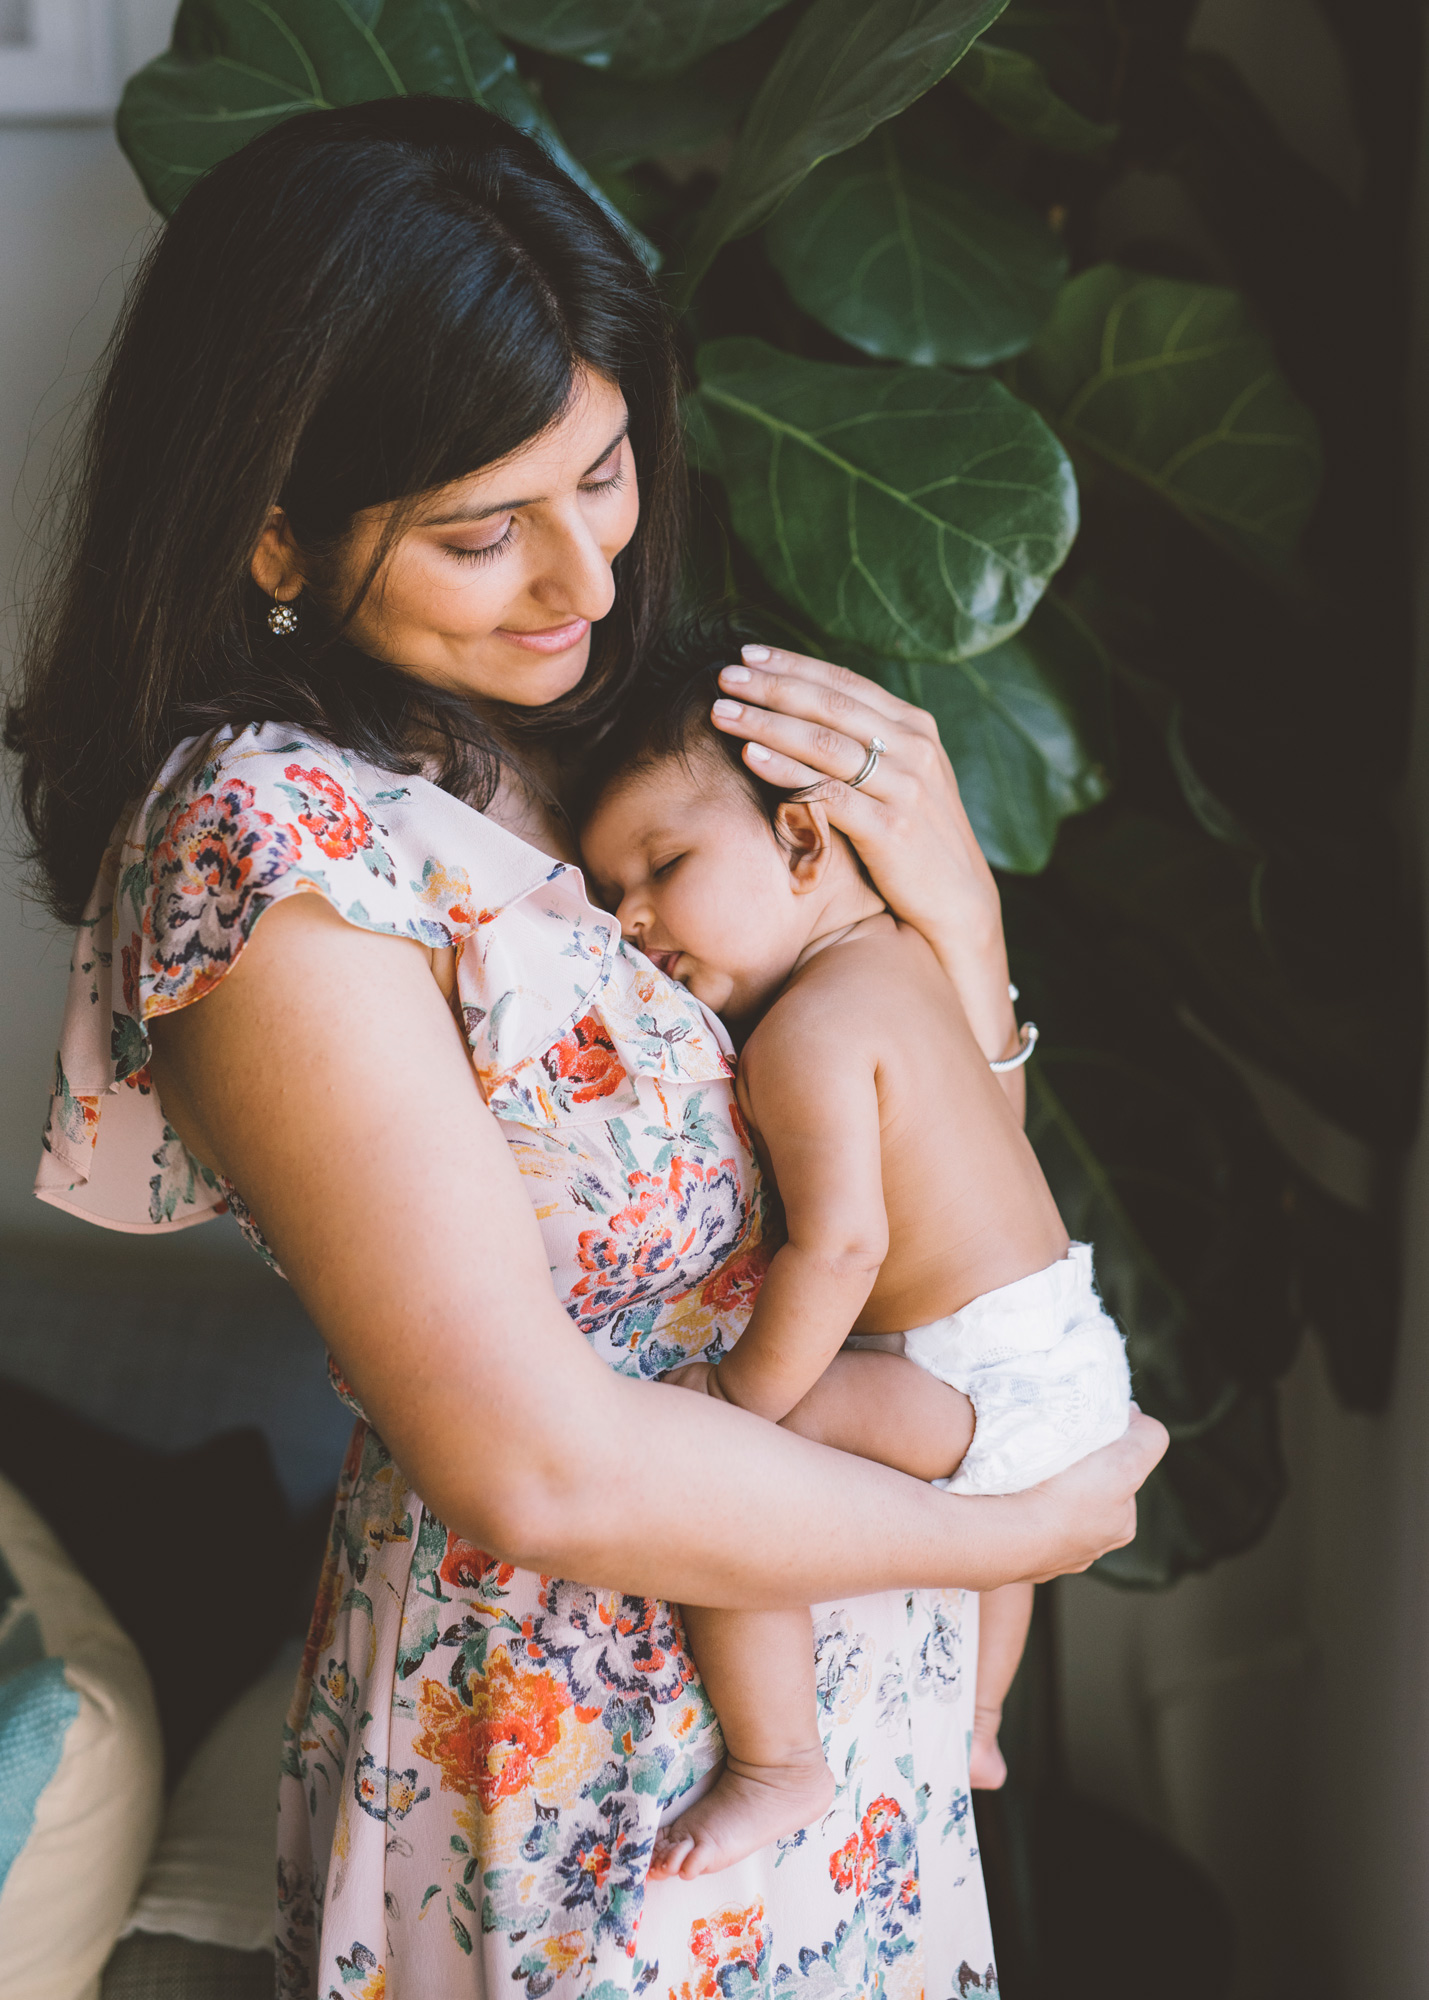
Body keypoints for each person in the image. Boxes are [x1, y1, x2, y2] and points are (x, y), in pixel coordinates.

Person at [7, 98, 1166, 2000]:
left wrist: (953, 919)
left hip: (849, 1734)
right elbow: (528, 1466)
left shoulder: (638, 740)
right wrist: (1014, 1517)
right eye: (481, 533)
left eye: (604, 475)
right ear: (273, 527)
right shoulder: (277, 849)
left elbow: (943, 1197)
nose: (582, 583)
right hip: (569, 1773)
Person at [578, 631, 1133, 1880]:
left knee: (724, 1485)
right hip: (1057, 1346)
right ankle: (979, 1726)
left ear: (805, 839)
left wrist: (741, 1401)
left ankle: (779, 1759)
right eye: (612, 893)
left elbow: (840, 1248)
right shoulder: (917, 965)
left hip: (969, 1375)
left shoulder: (804, 1035)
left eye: (663, 864)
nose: (632, 919)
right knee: (996, 1520)